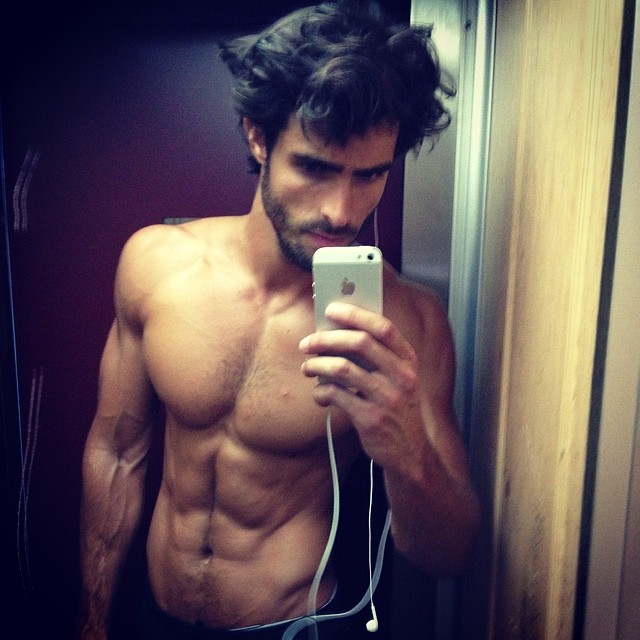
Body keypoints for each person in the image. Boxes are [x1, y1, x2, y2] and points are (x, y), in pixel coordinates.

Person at [78, 2, 480, 638]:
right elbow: (117, 452)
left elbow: (450, 554)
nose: (341, 210)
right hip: (156, 619)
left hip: (297, 625)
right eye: (315, 167)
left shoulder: (410, 322)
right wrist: (94, 619)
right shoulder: (155, 265)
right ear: (257, 137)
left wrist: (405, 448)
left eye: (370, 175)